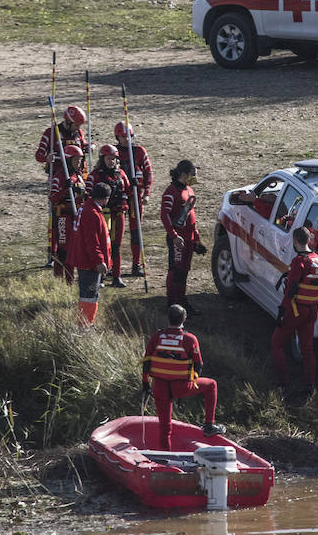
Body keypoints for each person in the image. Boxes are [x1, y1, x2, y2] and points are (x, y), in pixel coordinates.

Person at [141, 304, 225, 449]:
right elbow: (199, 365)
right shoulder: (189, 339)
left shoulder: (156, 337)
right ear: (184, 319)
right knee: (211, 385)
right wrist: (191, 380)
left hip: (159, 387)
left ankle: (165, 461)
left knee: (165, 428)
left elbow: (146, 363)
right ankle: (209, 425)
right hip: (182, 387)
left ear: (168, 318)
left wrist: (146, 384)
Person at [270, 226, 318, 395]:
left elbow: (291, 289)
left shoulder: (299, 261)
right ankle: (310, 386)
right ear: (309, 239)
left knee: (276, 343)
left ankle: (283, 383)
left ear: (295, 240)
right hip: (312, 310)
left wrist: (282, 311)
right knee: (307, 349)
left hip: (295, 310)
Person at [36, 105, 88, 266]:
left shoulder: (78, 133)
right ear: (68, 121)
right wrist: (47, 158)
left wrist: (88, 147)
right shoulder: (51, 133)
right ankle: (53, 253)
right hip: (57, 178)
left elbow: (83, 146)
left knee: (76, 213)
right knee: (55, 216)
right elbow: (39, 155)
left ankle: (74, 249)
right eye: (76, 125)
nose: (78, 129)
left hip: (75, 177)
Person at [160, 159, 205, 313]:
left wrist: (196, 238)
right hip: (177, 239)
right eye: (193, 174)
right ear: (184, 174)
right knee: (176, 270)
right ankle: (172, 303)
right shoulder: (171, 192)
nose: (195, 178)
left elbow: (191, 215)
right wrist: (173, 236)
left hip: (189, 237)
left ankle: (182, 300)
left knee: (185, 270)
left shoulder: (189, 190)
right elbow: (164, 215)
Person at [86, 144, 131, 287]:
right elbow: (87, 195)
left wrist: (135, 185)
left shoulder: (121, 174)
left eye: (113, 159)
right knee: (101, 245)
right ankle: (98, 277)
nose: (111, 161)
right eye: (108, 158)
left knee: (116, 246)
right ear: (102, 158)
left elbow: (128, 190)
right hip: (101, 215)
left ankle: (116, 276)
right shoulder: (94, 175)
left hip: (118, 214)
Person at [68, 182, 113, 326]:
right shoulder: (92, 213)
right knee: (89, 296)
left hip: (86, 261)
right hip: (89, 263)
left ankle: (85, 323)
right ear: (105, 198)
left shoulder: (86, 208)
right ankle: (85, 325)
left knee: (88, 296)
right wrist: (99, 261)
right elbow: (92, 242)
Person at [114, 121, 153, 277]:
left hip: (136, 197)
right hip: (117, 198)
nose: (126, 140)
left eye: (129, 136)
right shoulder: (113, 152)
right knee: (116, 232)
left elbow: (149, 172)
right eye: (123, 137)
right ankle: (113, 265)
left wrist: (147, 193)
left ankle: (136, 264)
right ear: (117, 136)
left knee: (136, 232)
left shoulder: (139, 151)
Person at [49, 144, 86, 281]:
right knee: (64, 250)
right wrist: (65, 189)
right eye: (76, 160)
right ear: (68, 160)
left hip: (77, 216)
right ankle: (59, 279)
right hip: (63, 217)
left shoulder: (79, 175)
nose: (79, 163)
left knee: (73, 250)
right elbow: (52, 198)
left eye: (80, 160)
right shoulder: (59, 177)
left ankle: (70, 280)